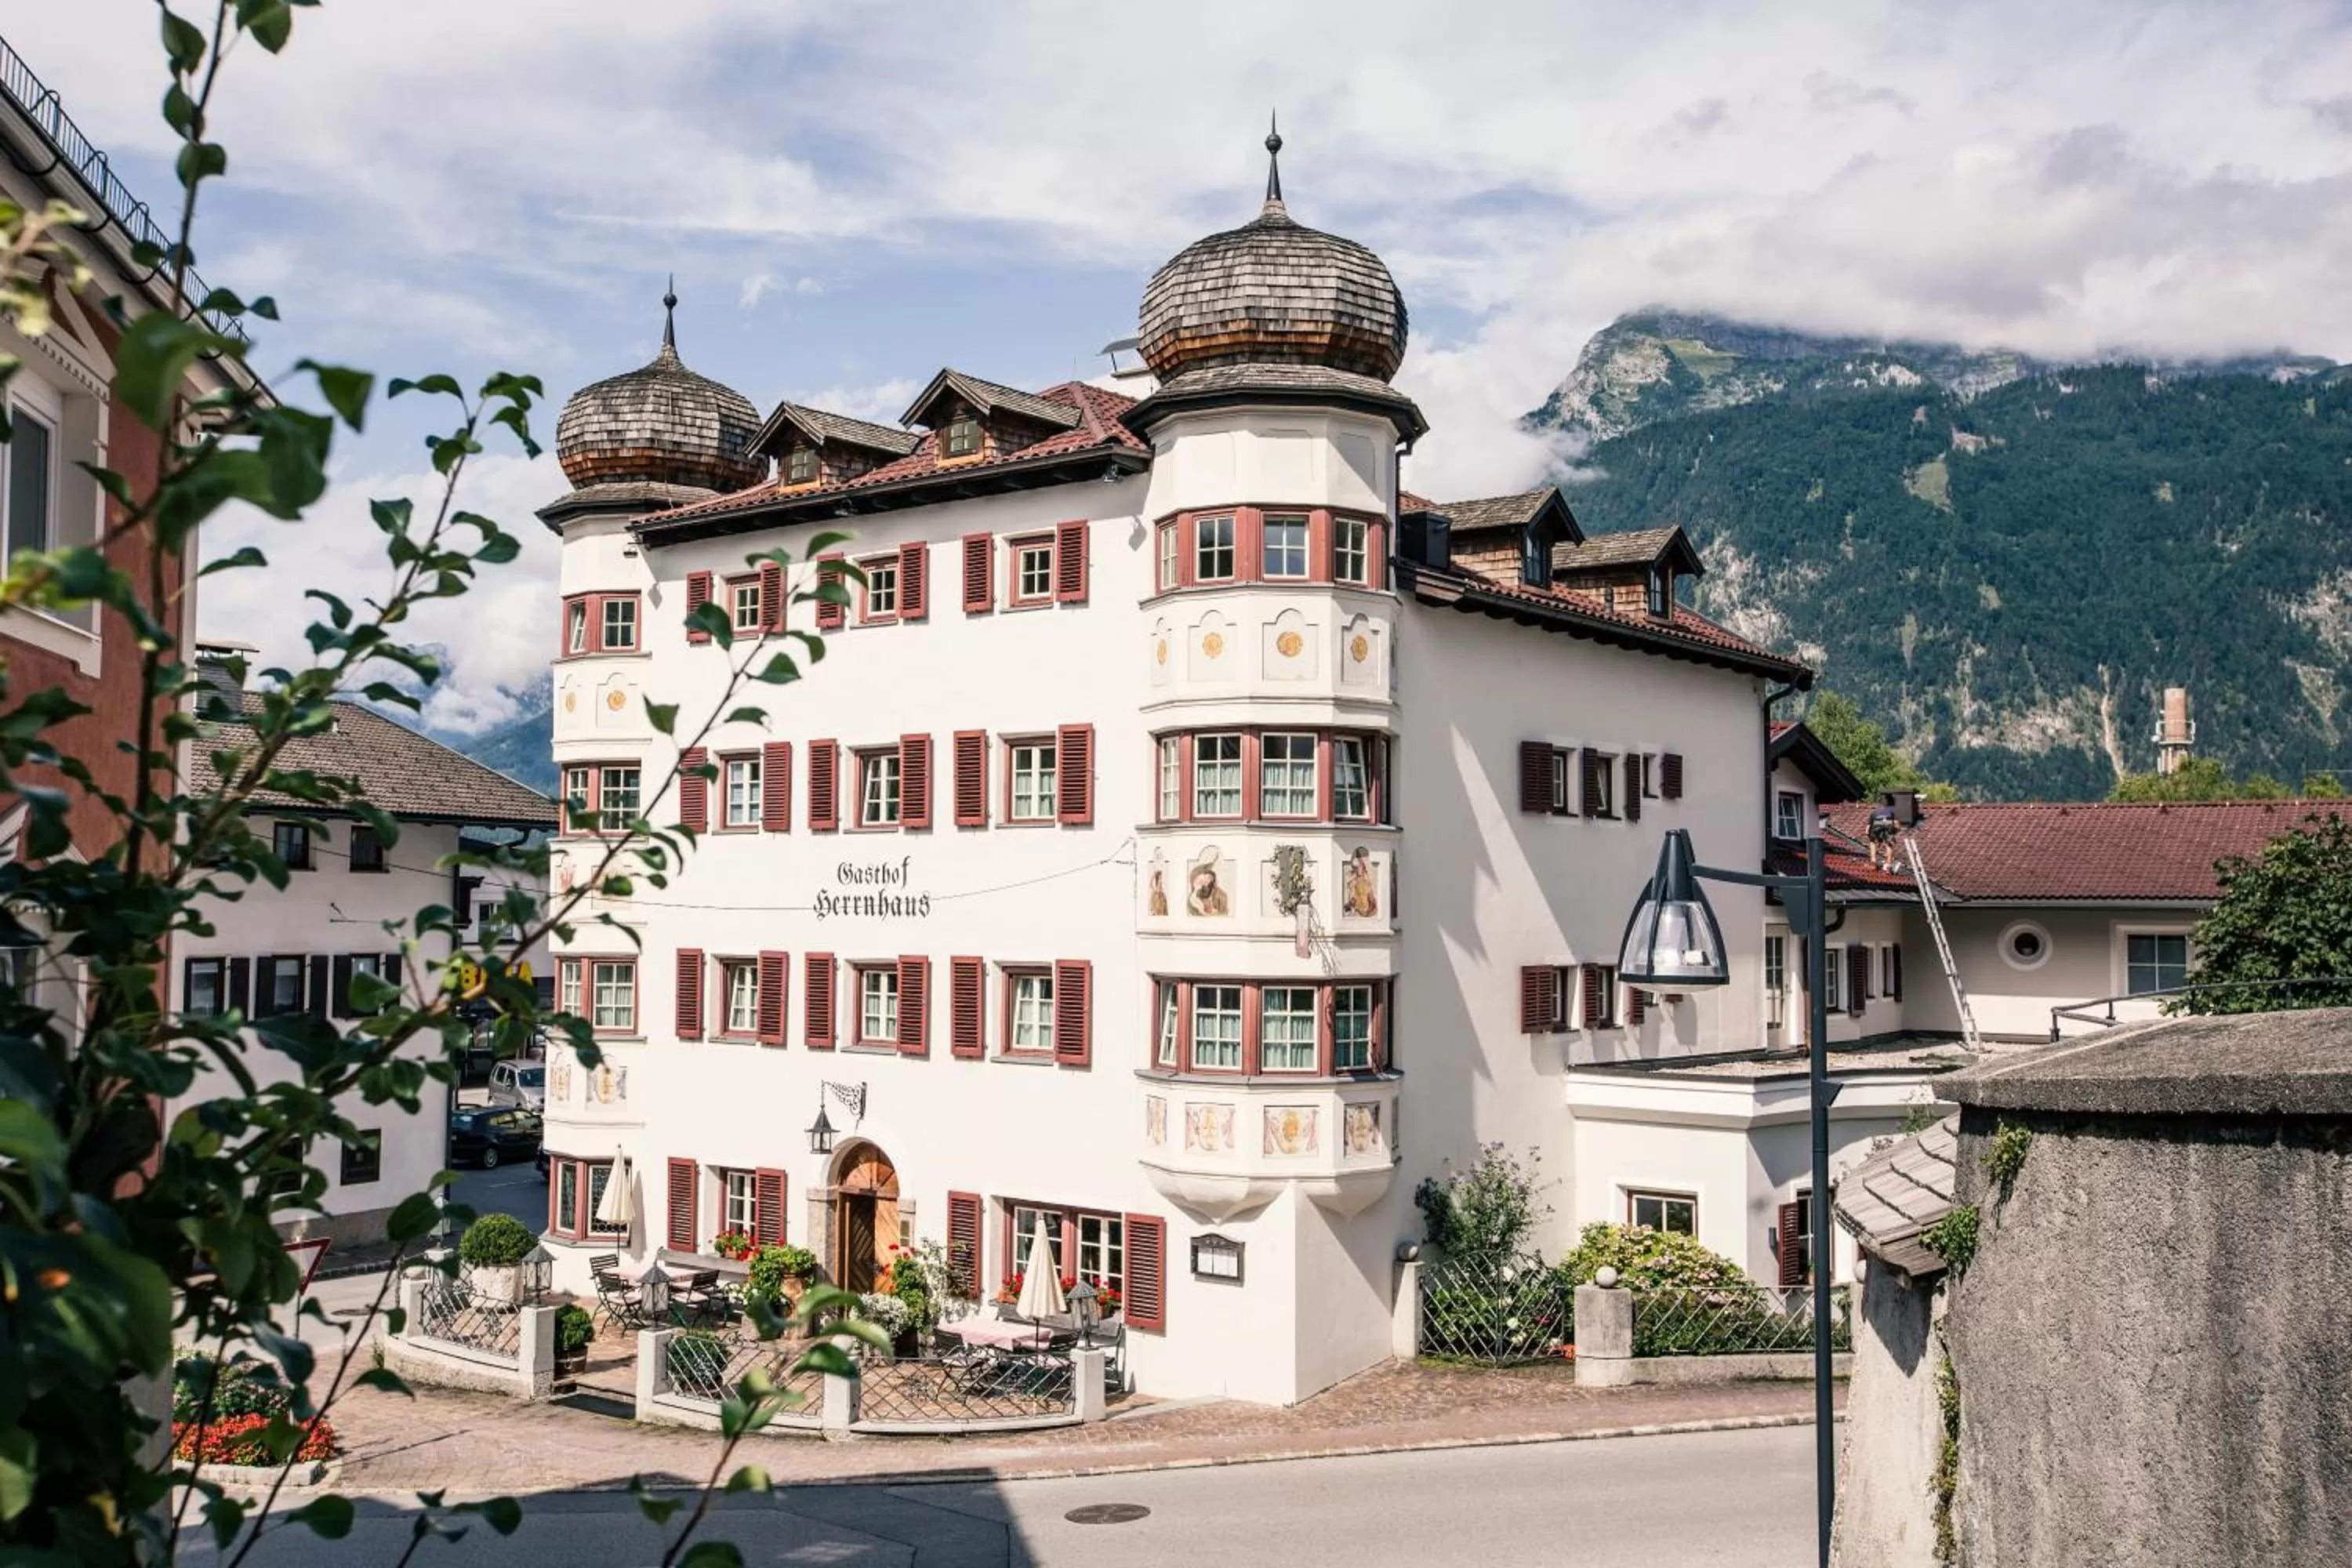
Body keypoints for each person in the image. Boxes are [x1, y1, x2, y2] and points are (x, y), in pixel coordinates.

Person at [1867, 801, 1902, 871]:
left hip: (1877, 824)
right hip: (1889, 824)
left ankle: (1873, 862)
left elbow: (1868, 828)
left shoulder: (1874, 812)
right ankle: (1888, 865)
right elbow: (1896, 824)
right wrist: (1897, 830)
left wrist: (1870, 836)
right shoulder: (1892, 812)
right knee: (1889, 844)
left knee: (1873, 842)